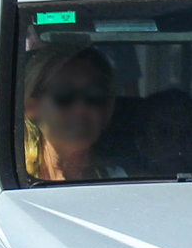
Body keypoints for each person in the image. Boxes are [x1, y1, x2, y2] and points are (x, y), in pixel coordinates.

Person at [21, 43, 123, 182]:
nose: (81, 108)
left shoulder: (122, 182)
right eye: (64, 94)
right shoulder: (5, 179)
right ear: (31, 107)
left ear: (107, 109)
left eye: (95, 94)